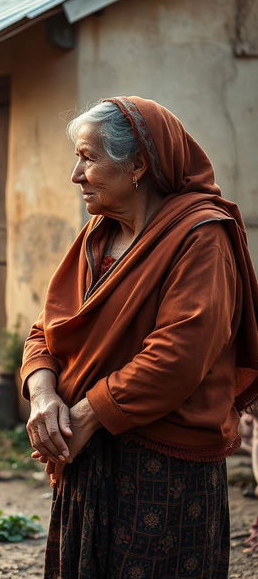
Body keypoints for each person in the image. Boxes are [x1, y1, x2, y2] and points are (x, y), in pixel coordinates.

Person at [21, 96, 258, 578]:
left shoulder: (200, 235)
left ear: (138, 165)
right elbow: (45, 330)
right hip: (86, 449)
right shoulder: (97, 236)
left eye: (88, 158)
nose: (76, 175)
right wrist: (44, 397)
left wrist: (86, 414)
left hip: (162, 464)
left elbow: (178, 356)